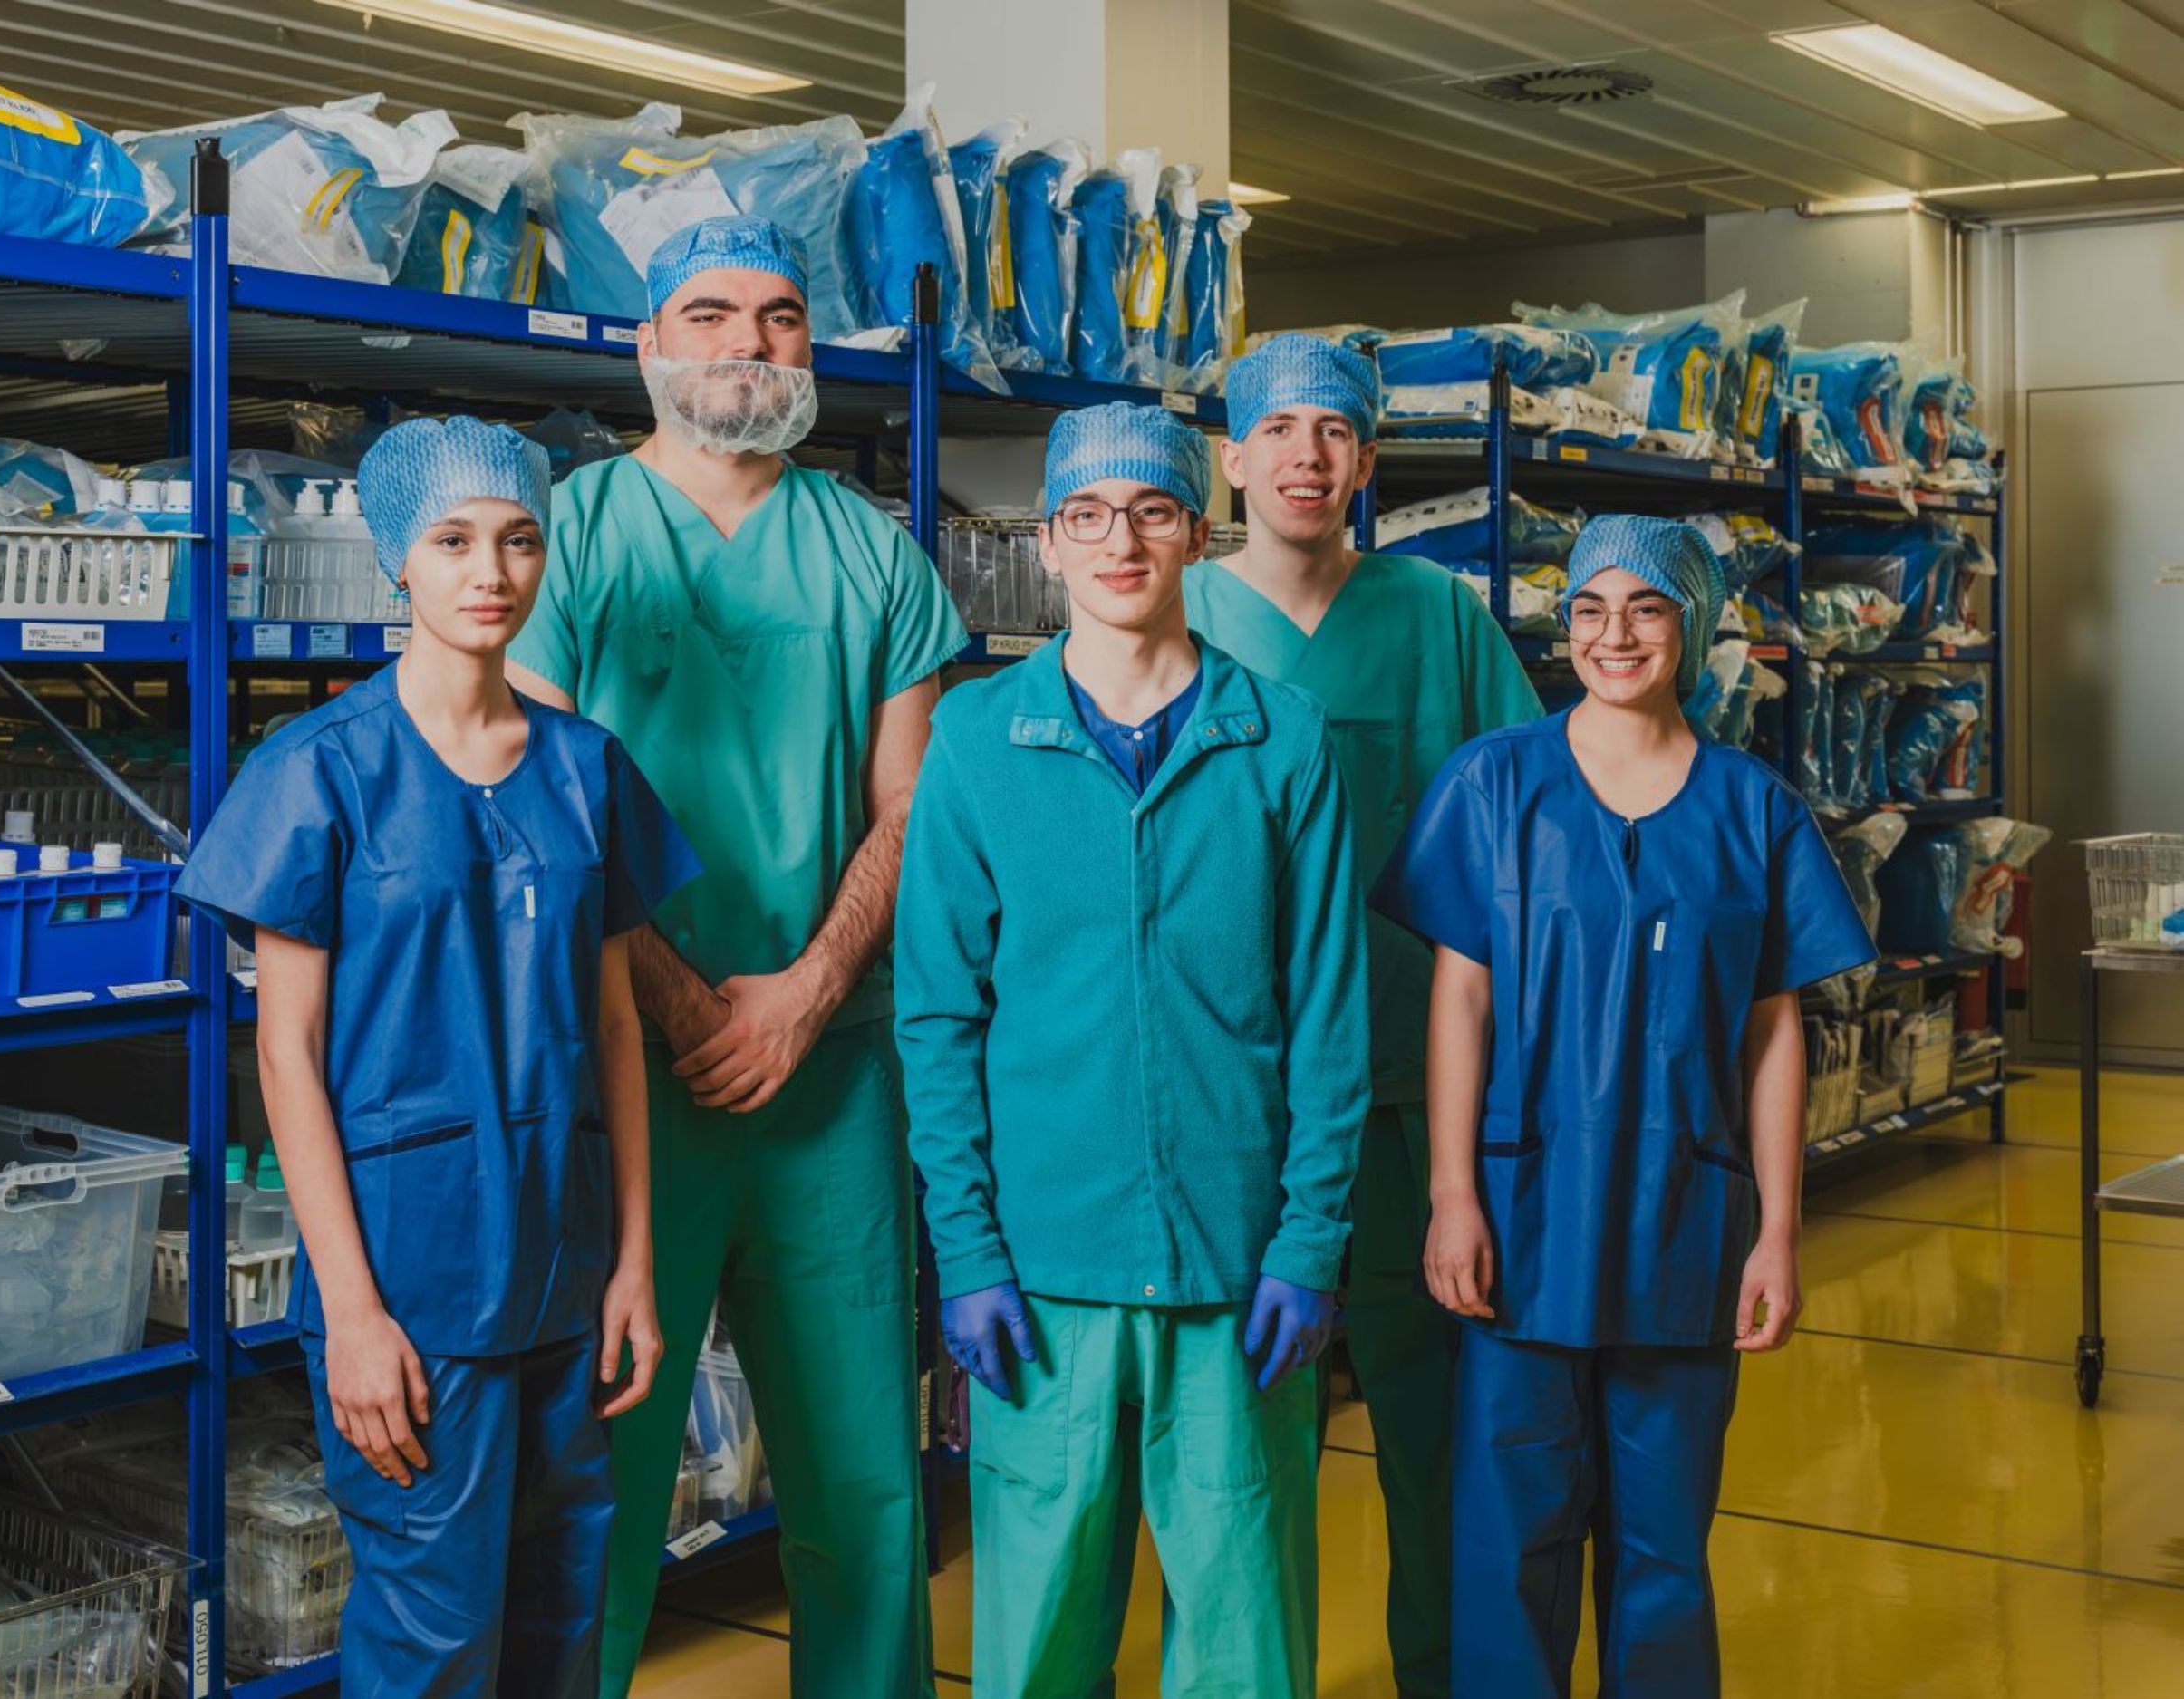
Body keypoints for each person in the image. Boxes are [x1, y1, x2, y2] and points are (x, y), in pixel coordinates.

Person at [505, 215, 965, 1699]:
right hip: (625, 1067)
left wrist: (808, 993)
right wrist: (685, 998)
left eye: (778, 318)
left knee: (860, 1477)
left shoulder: (872, 551)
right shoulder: (566, 534)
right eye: (708, 314)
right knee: (605, 1472)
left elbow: (912, 808)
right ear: (649, 343)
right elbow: (543, 804)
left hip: (829, 1076)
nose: (746, 345)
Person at [177, 417, 699, 1697]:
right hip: (413, 1286)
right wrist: (354, 1315)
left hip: (568, 1275)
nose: (491, 572)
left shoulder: (587, 769)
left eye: (519, 540)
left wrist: (635, 1265)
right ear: (396, 562)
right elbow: (288, 1056)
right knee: (435, 1637)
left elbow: (617, 1028)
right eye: (454, 541)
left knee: (563, 1625)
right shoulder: (320, 772)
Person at [897, 401, 1370, 1698]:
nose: (1121, 542)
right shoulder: (977, 741)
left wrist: (1310, 1243)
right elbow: (938, 1019)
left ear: (1199, 536)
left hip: (1235, 1267)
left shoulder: (1282, 740)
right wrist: (967, 1253)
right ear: (1048, 542)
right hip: (1042, 1274)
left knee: (1243, 1645)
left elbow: (1331, 1016)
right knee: (1040, 1645)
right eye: (1089, 515)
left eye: (1153, 511)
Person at [1372, 516, 1876, 1698]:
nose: (1615, 634)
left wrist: (1778, 1231)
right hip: (1523, 1218)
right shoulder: (1495, 782)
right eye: (1590, 609)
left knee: (1664, 1550)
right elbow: (1460, 1003)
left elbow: (1772, 1032)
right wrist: (1451, 1196)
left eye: (1647, 608)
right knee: (1509, 1540)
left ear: (1692, 626)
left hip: (1682, 1226)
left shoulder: (1753, 808)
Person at [1184, 330, 1541, 1699]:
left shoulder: (1439, 618)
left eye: (1334, 431)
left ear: (1369, 461)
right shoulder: (1174, 611)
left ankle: (1441, 1675)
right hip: (1231, 1099)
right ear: (1231, 459)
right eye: (1278, 431)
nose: (1307, 456)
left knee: (1434, 1428)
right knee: (1234, 1447)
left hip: (1409, 1094)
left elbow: (1528, 826)